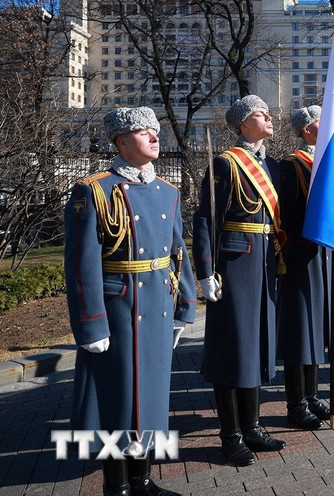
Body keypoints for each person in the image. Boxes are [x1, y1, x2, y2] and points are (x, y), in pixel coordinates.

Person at [64, 106, 196, 496]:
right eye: (144, 132)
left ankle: (142, 479)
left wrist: (184, 305)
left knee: (152, 397)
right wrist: (90, 323)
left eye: (156, 131)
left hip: (157, 304)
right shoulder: (94, 190)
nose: (156, 137)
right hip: (119, 308)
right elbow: (81, 263)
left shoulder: (168, 191)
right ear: (121, 142)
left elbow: (177, 252)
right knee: (118, 401)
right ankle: (116, 485)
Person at [193, 95, 285, 467]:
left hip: (264, 261)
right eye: (261, 114)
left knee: (257, 345)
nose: (269, 117)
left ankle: (253, 426)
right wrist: (204, 271)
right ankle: (230, 436)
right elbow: (206, 219)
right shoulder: (226, 163)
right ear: (244, 123)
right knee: (233, 349)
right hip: (234, 262)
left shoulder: (272, 166)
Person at [276, 105, 331, 428]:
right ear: (308, 129)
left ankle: (312, 395)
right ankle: (296, 402)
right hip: (299, 253)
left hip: (319, 253)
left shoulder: (325, 163)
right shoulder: (293, 165)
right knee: (299, 329)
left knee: (315, 329)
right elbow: (288, 213)